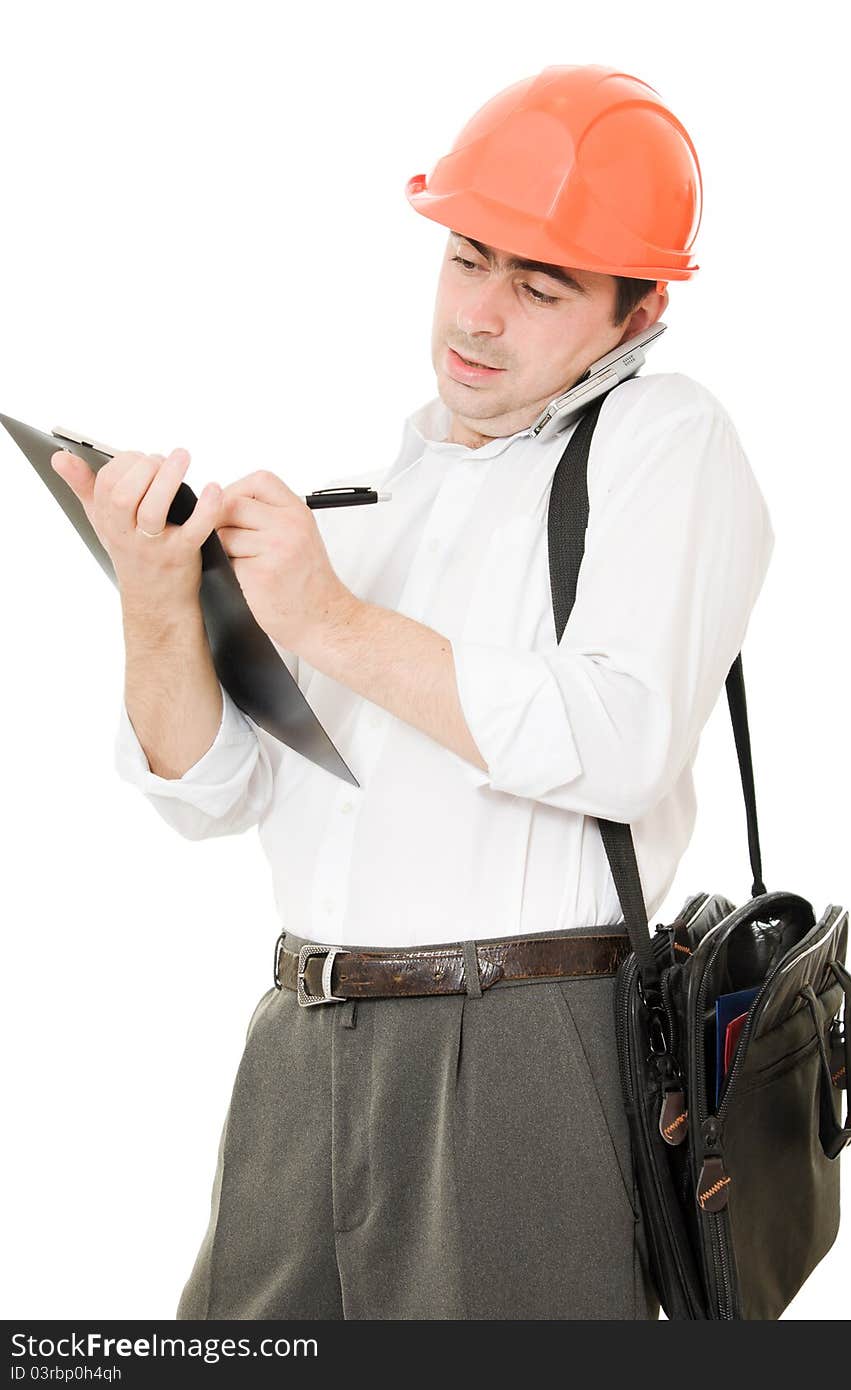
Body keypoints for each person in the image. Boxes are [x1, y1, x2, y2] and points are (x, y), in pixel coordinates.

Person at [49, 64, 774, 1320]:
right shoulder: (375, 501)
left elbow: (618, 739)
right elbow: (212, 792)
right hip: (298, 1037)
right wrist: (155, 597)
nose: (479, 318)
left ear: (638, 309)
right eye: (468, 260)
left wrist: (330, 617)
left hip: (517, 1045)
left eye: (539, 286)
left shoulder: (665, 440)